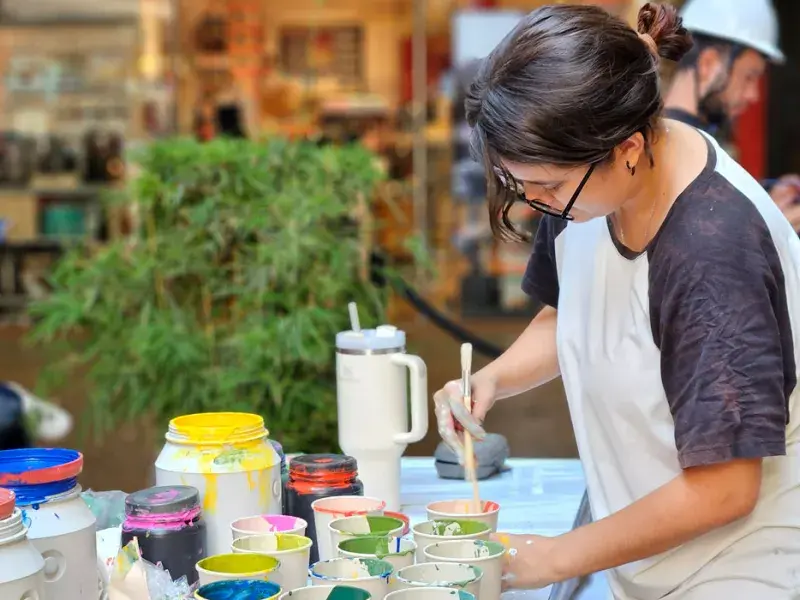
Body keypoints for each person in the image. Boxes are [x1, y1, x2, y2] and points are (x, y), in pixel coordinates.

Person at [434, 3, 800, 599]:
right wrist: (493, 380)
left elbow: (727, 486)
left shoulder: (712, 249)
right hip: (648, 550)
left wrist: (553, 559)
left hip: (744, 566)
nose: (533, 203)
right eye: (517, 185)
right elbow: (572, 314)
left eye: (544, 187)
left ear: (627, 148)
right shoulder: (582, 181)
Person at [662, 0, 800, 228]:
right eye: (749, 77)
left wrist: (766, 198)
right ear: (708, 64)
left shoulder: (694, 142)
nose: (753, 94)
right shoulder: (672, 149)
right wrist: (770, 227)